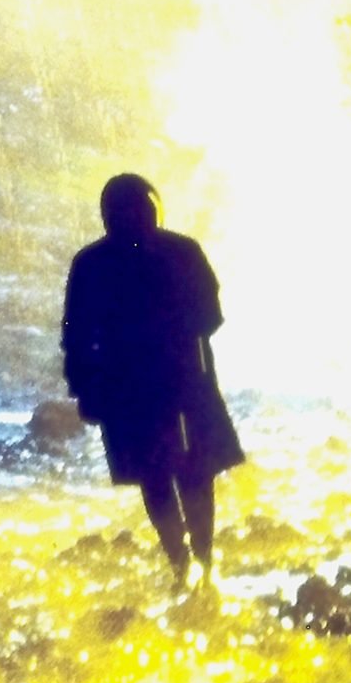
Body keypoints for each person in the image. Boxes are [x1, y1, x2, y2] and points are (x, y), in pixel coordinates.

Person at [61, 174, 245, 592]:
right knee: (183, 474)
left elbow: (75, 334)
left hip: (141, 387)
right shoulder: (180, 252)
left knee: (161, 475)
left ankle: (187, 564)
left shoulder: (92, 263)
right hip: (178, 382)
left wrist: (84, 384)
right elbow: (210, 315)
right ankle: (197, 563)